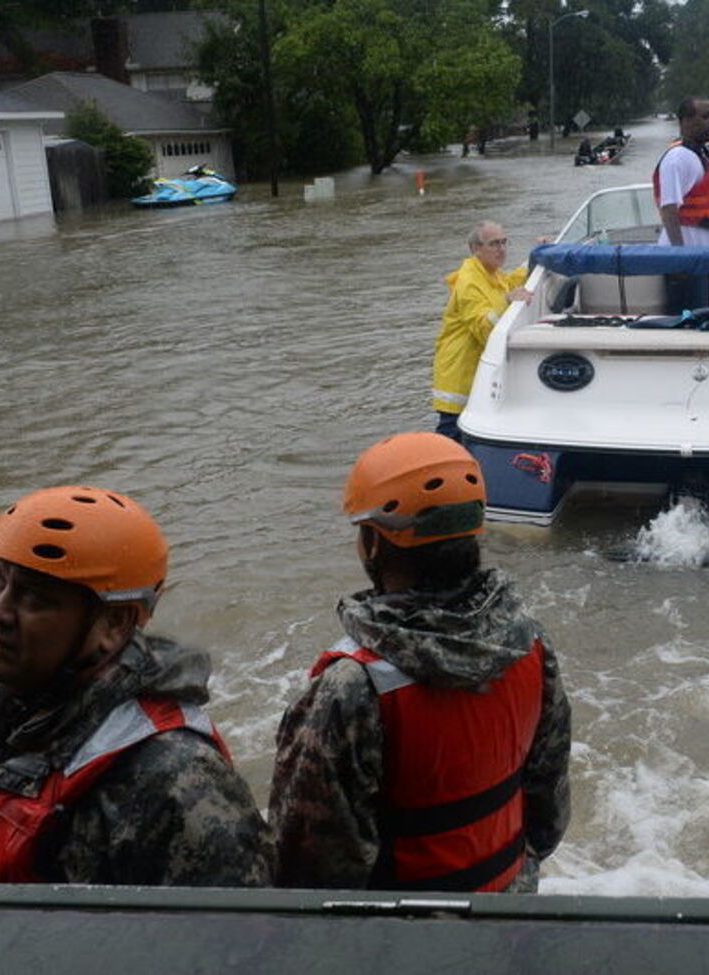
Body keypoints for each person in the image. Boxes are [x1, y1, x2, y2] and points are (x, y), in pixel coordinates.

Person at [0, 486, 273, 885]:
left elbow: (229, 940)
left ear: (114, 624)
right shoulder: (3, 717)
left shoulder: (177, 782)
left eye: (34, 598)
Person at [270, 433, 572, 892]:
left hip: (401, 937)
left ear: (373, 544)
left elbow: (310, 868)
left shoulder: (351, 687)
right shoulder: (528, 644)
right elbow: (548, 813)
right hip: (508, 903)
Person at [431, 221, 532, 441]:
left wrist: (532, 260)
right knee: (450, 437)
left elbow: (508, 283)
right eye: (494, 244)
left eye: (504, 242)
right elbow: (483, 327)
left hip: (473, 371)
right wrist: (507, 300)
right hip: (459, 377)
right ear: (476, 249)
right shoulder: (469, 282)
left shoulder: (490, 273)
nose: (502, 248)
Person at [653, 96, 709, 313]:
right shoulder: (677, 158)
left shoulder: (702, 154)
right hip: (685, 264)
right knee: (685, 328)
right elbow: (669, 209)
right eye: (705, 116)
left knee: (700, 323)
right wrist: (681, 258)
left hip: (701, 261)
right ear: (686, 121)